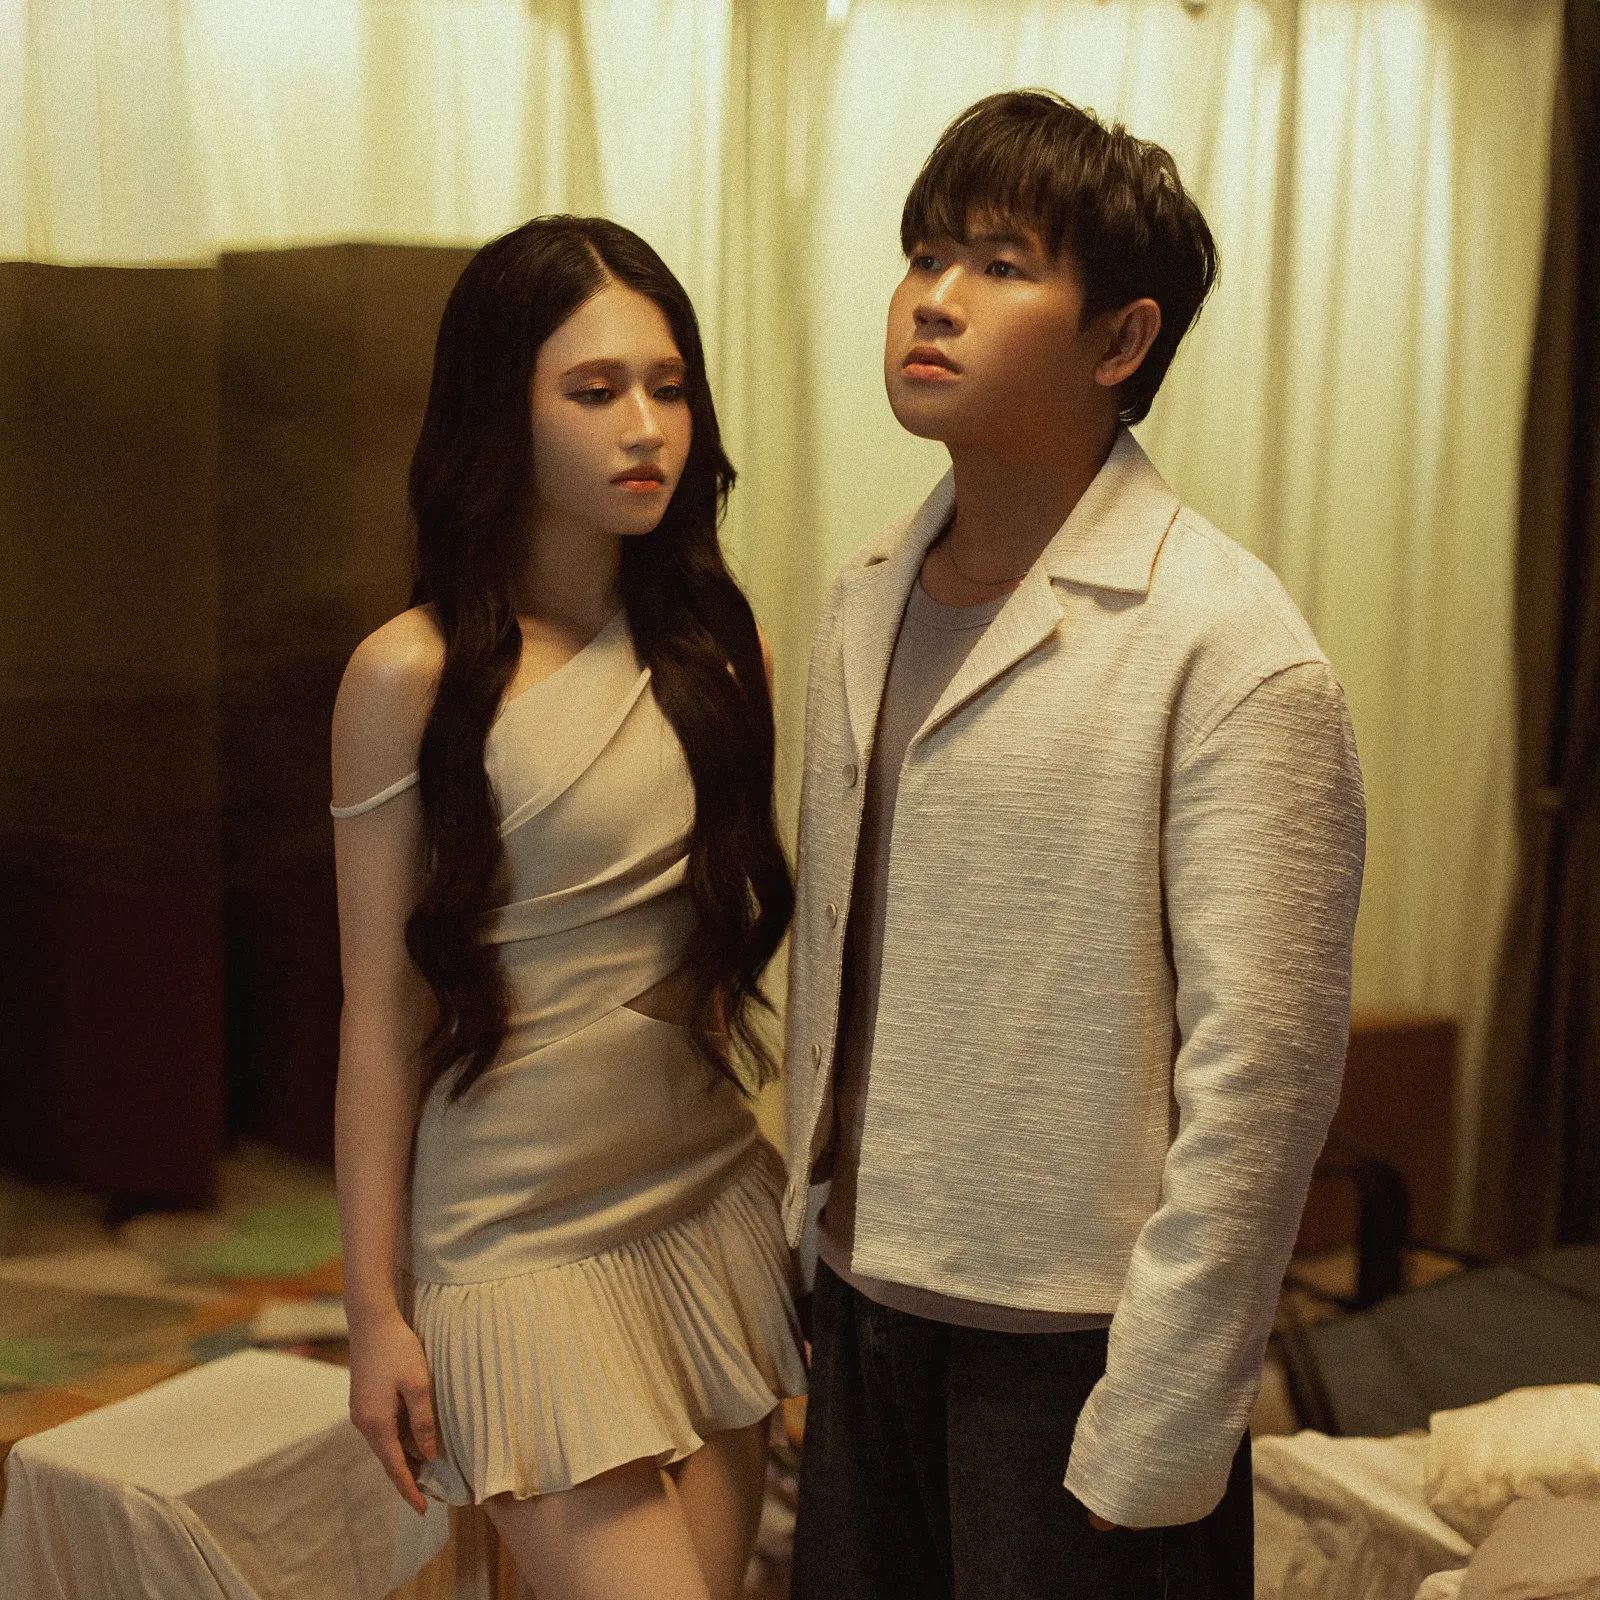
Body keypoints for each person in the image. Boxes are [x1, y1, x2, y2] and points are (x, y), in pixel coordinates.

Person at [784, 90, 1367, 1598]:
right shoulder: (864, 595)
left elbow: (1265, 1075)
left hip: (1077, 1350)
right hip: (860, 1297)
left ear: (1121, 341)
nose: (935, 297)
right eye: (925, 253)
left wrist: (1161, 1420)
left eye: (999, 263)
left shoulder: (1227, 644)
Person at [330, 215, 806, 1600]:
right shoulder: (408, 678)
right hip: (512, 1241)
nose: (645, 427)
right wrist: (373, 1311)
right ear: (503, 411)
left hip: (702, 1200)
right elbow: (378, 1020)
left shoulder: (726, 648)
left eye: (668, 387)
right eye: (594, 391)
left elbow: (714, 952)